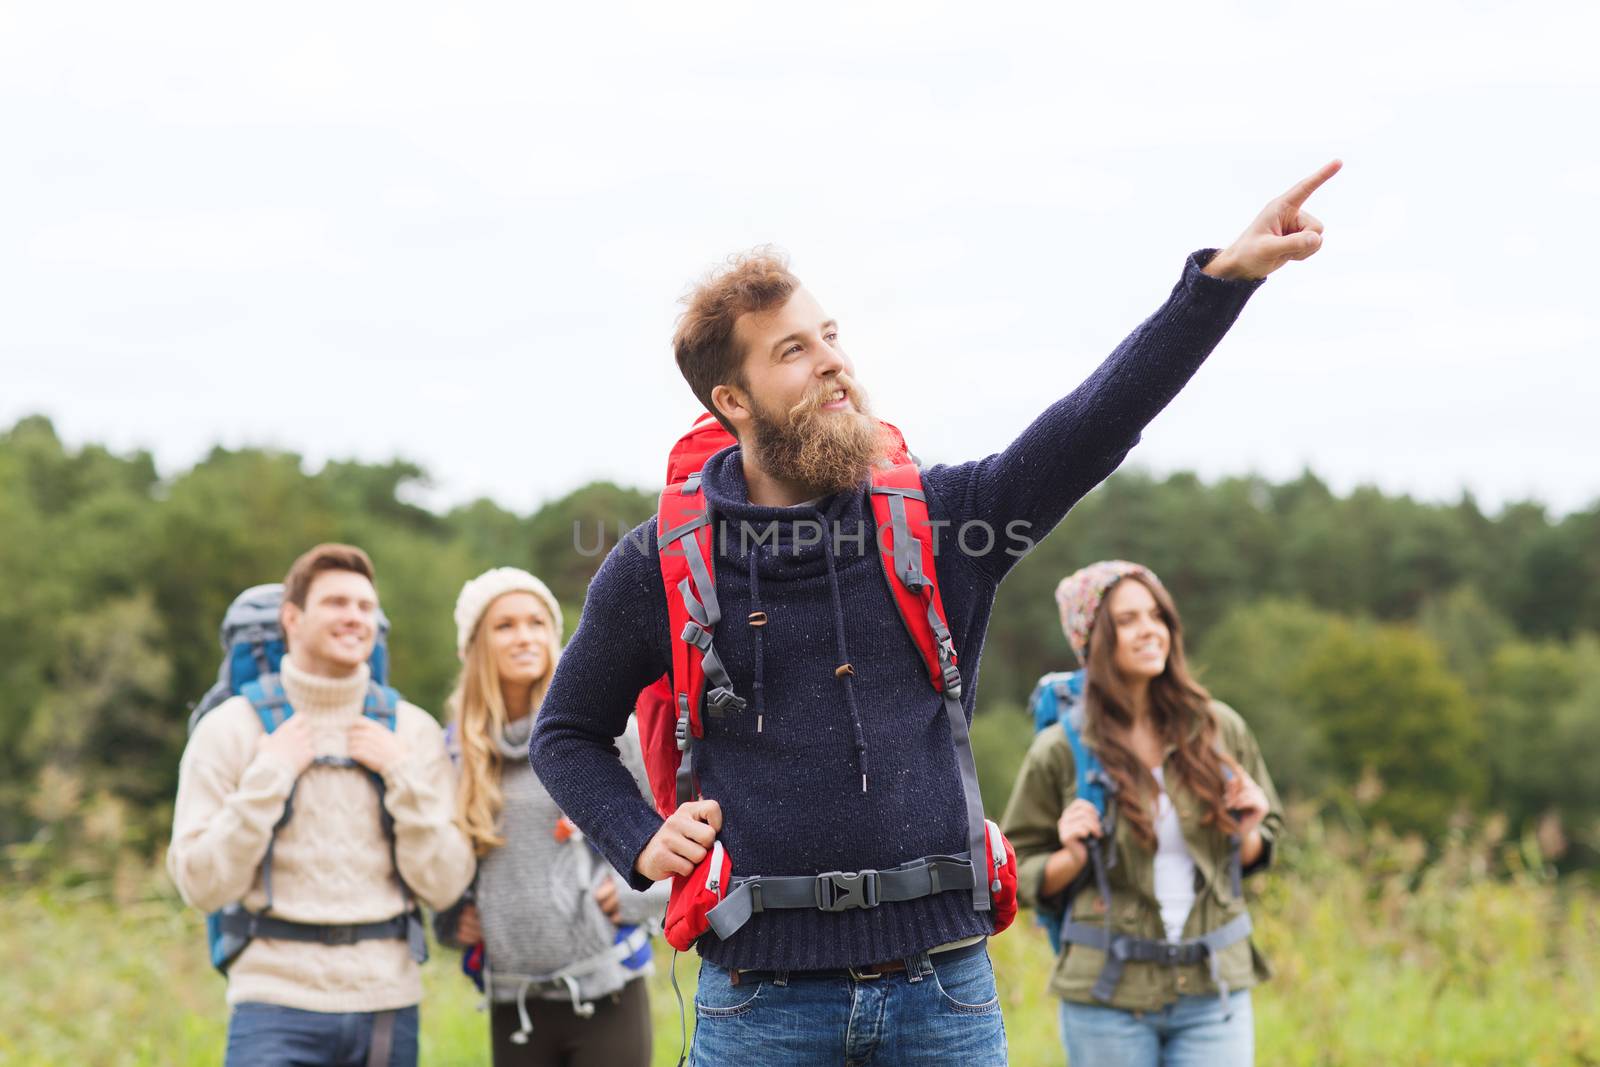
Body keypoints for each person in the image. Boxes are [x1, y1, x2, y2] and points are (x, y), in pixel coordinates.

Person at [530, 161, 1339, 1066]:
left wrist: (1220, 283)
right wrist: (641, 840)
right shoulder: (659, 563)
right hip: (758, 1003)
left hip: (943, 992)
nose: (835, 358)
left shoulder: (946, 522)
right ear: (732, 400)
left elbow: (1092, 426)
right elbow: (562, 731)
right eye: (793, 349)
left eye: (830, 334)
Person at [168, 543, 474, 1067]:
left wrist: (400, 774)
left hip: (387, 1004)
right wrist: (270, 775)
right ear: (292, 617)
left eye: (364, 606)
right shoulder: (232, 728)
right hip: (273, 1004)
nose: (355, 617)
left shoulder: (412, 732)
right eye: (336, 602)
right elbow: (199, 884)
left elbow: (446, 883)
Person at [1002, 561, 1284, 1066]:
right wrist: (1068, 856)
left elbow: (1262, 842)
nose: (1149, 630)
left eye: (1156, 615)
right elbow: (1014, 868)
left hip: (1213, 991)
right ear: (1092, 639)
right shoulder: (1061, 748)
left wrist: (1249, 832)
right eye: (1127, 620)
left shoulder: (1219, 729)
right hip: (1106, 998)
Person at [436, 567, 666, 1066]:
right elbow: (436, 858)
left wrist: (635, 892)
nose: (525, 637)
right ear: (473, 647)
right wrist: (450, 919)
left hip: (607, 986)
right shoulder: (454, 753)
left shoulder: (600, 735)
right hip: (512, 998)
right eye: (505, 625)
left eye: (537, 622)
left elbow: (671, 825)